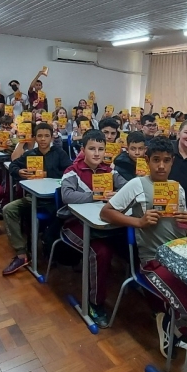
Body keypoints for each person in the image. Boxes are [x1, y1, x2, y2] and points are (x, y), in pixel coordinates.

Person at [100, 137, 187, 357]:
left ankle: (180, 328)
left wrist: (186, 219)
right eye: (155, 160)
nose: (161, 166)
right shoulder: (137, 184)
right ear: (147, 161)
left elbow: (181, 227)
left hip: (180, 254)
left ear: (172, 162)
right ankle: (177, 326)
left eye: (165, 161)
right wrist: (139, 222)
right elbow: (105, 212)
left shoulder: (176, 188)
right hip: (153, 259)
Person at [60, 130, 128, 327]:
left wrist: (117, 193)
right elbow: (68, 196)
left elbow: (126, 189)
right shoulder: (72, 171)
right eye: (92, 149)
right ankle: (95, 303)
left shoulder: (110, 171)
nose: (97, 153)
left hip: (105, 225)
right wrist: (96, 195)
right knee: (101, 252)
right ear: (83, 150)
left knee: (129, 241)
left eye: (101, 149)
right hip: (74, 224)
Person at [2, 123, 71, 274]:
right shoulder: (30, 154)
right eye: (39, 136)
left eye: (47, 136)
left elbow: (68, 171)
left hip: (53, 200)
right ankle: (21, 253)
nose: (43, 139)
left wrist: (48, 173)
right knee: (9, 209)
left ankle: (48, 247)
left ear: (52, 137)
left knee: (51, 220)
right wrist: (20, 171)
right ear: (35, 137)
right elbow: (13, 166)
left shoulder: (60, 153)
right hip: (32, 198)